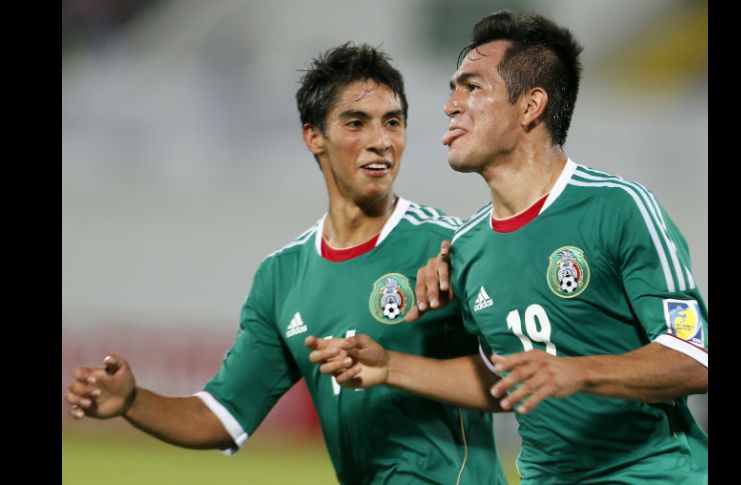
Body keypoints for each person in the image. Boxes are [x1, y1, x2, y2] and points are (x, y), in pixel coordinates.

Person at [64, 42, 508, 485]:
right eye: (356, 123)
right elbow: (222, 416)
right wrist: (133, 402)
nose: (381, 142)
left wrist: (394, 366)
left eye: (392, 122)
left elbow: (517, 375)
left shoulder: (449, 246)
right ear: (314, 136)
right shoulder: (282, 277)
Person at [308, 12, 708, 484]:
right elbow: (502, 378)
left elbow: (694, 357)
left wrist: (576, 373)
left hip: (655, 473)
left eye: (472, 87)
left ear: (530, 106)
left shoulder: (618, 208)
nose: (450, 106)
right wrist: (392, 367)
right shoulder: (466, 248)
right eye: (453, 89)